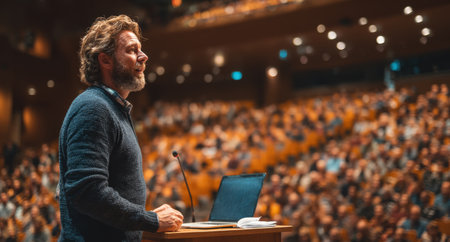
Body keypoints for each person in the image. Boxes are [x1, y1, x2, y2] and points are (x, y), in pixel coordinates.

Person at [58, 15, 183, 241]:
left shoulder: (113, 108)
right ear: (105, 60)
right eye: (132, 50)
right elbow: (87, 191)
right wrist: (148, 220)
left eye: (140, 49)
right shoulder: (93, 108)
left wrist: (142, 218)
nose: (144, 57)